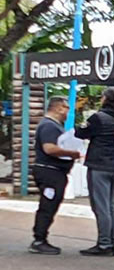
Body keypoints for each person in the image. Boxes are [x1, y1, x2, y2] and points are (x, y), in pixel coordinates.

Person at [75, 87, 114, 257]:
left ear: (105, 98)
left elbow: (80, 133)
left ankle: (104, 243)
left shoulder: (98, 118)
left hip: (100, 166)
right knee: (112, 205)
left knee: (101, 206)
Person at [28, 97, 82, 255]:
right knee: (48, 205)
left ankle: (41, 238)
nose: (68, 112)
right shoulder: (49, 126)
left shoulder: (56, 126)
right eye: (66, 108)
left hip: (56, 172)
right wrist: (72, 153)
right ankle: (39, 240)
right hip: (50, 172)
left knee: (51, 204)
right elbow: (49, 148)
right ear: (58, 108)